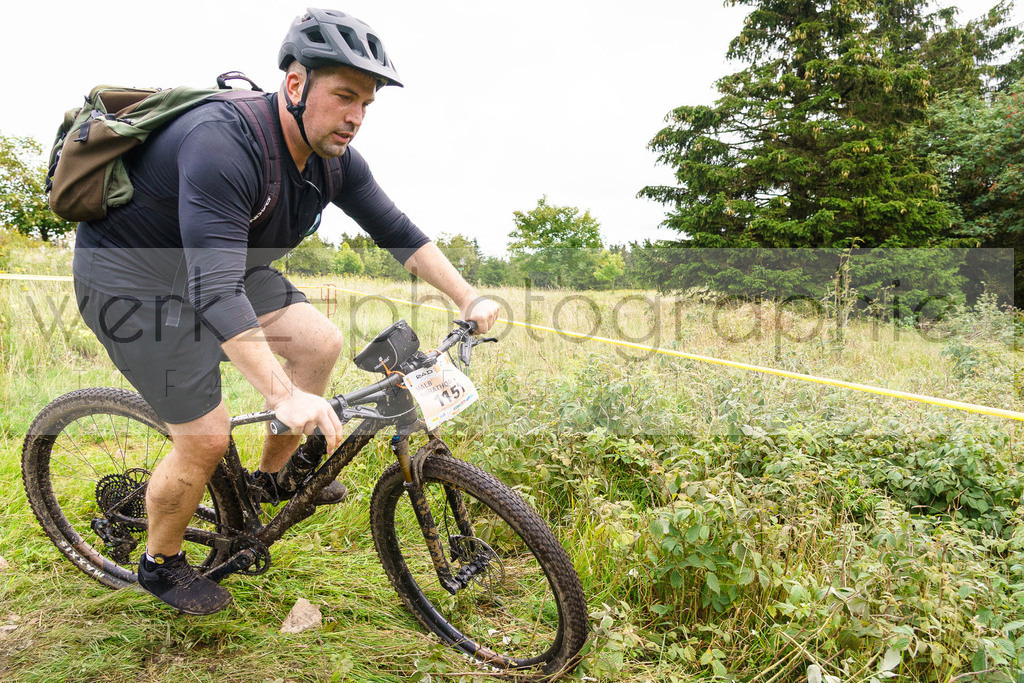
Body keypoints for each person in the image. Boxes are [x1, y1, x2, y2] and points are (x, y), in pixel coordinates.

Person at [71, 8, 499, 615]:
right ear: (295, 85)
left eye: (366, 105)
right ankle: (159, 562)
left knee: (318, 343)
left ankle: (268, 481)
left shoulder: (332, 159)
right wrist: (280, 395)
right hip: (132, 282)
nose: (355, 117)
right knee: (206, 437)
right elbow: (213, 292)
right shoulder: (222, 142)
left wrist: (467, 296)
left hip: (223, 266)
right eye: (344, 96)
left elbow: (396, 229)